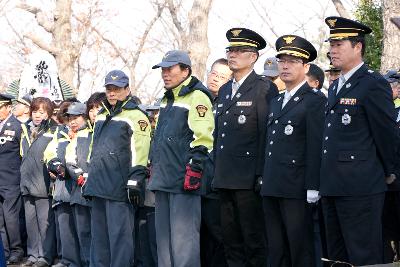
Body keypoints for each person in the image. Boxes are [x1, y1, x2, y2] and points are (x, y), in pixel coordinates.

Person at [320, 16, 397, 266]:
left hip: (360, 186)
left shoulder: (373, 84)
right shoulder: (335, 86)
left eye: (339, 44)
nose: (332, 50)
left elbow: (386, 135)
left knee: (363, 255)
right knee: (336, 257)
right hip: (332, 184)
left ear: (358, 46)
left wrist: (390, 172)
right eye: (331, 44)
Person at [212, 28, 278, 266]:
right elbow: (220, 135)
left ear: (253, 57)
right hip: (225, 176)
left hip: (249, 179)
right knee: (230, 240)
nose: (233, 54)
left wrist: (261, 173)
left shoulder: (263, 88)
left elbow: (265, 134)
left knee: (253, 239)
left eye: (240, 50)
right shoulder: (224, 90)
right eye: (230, 49)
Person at [260, 35, 326, 267]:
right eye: (282, 60)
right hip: (273, 185)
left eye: (292, 61)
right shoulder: (277, 100)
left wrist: (313, 186)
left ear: (306, 67)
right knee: (276, 251)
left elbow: (315, 145)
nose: (285, 66)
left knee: (300, 250)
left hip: (297, 188)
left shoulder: (314, 100)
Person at [148, 50, 214, 267]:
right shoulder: (167, 98)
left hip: (183, 181)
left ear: (185, 70)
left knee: (184, 244)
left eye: (170, 69)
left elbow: (203, 136)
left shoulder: (197, 96)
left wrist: (195, 168)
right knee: (164, 243)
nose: (165, 74)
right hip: (163, 178)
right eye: (163, 70)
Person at [83, 70, 151, 267]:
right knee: (99, 241)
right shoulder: (102, 115)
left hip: (119, 188)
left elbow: (140, 149)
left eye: (117, 89)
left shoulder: (136, 116)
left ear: (127, 89)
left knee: (120, 241)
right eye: (109, 89)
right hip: (98, 185)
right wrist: (89, 176)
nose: (112, 93)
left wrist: (136, 178)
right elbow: (94, 149)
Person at [65, 93, 105, 267]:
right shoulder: (82, 134)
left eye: (99, 108)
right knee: (84, 233)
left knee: (101, 235)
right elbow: (70, 159)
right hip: (80, 192)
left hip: (103, 192)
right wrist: (81, 176)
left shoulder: (110, 129)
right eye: (92, 109)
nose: (95, 112)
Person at [20, 97, 57, 267]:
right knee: (30, 223)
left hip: (43, 184)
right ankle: (33, 254)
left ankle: (46, 256)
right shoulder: (25, 129)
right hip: (26, 183)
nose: (37, 115)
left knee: (45, 224)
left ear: (49, 114)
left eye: (41, 112)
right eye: (35, 111)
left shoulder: (54, 130)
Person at [201, 58, 232, 267]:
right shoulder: (199, 101)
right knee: (200, 239)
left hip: (217, 183)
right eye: (214, 74)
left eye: (222, 76)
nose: (216, 79)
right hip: (196, 184)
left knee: (219, 237)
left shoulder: (229, 103)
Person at [45, 102, 81, 267]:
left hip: (81, 188)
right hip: (62, 187)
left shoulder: (89, 133)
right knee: (65, 228)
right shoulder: (60, 134)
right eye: (69, 117)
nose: (71, 121)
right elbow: (49, 153)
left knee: (83, 230)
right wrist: (55, 165)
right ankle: (67, 260)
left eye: (75, 117)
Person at [0, 93, 24, 265]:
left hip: (11, 179)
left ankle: (16, 249)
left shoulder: (17, 126)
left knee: (11, 217)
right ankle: (4, 251)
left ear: (8, 107)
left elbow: (23, 154)